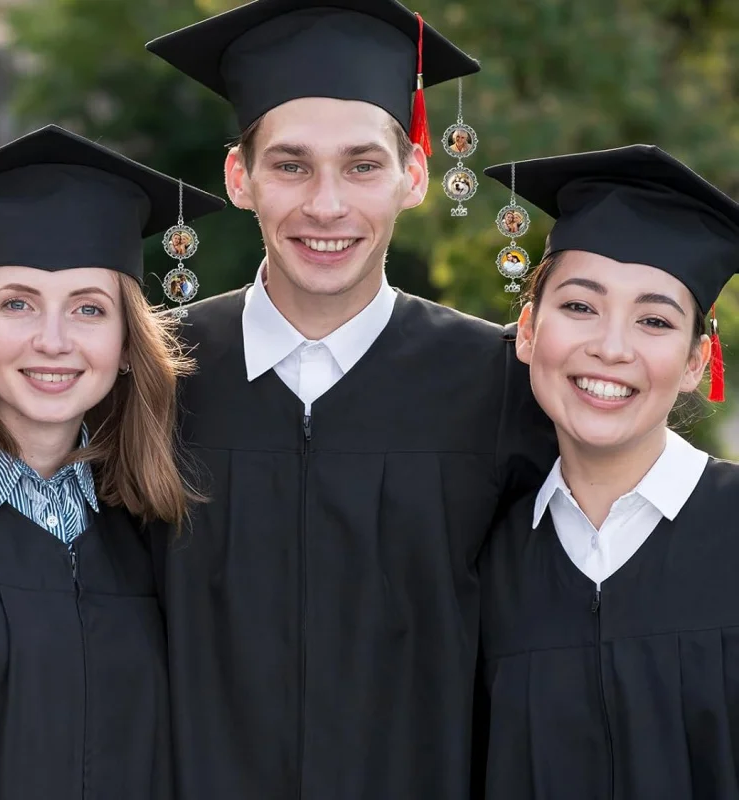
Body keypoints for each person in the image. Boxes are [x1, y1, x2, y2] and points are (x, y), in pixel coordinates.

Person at [146, 1, 556, 798]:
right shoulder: (154, 376)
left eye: (362, 166)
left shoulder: (502, 384)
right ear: (240, 177)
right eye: (291, 165)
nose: (326, 206)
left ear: (412, 176)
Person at [0, 124, 223, 799]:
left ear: (127, 343)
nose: (53, 340)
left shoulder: (148, 541)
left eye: (89, 309)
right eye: (18, 304)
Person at [476, 144, 739, 799]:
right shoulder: (481, 563)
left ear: (694, 363)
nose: (611, 347)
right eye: (579, 307)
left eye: (654, 320)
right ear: (529, 331)